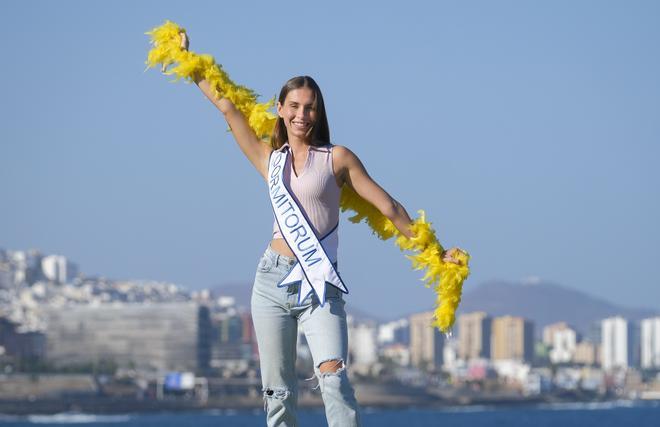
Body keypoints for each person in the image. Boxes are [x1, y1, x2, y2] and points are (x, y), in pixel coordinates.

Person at [180, 32, 462, 427]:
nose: (301, 115)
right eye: (293, 106)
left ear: (319, 113)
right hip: (271, 281)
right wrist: (187, 59)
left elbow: (390, 208)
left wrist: (437, 251)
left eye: (310, 108)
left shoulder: (337, 159)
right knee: (278, 392)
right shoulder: (268, 159)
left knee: (333, 378)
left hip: (319, 285)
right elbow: (228, 108)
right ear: (279, 109)